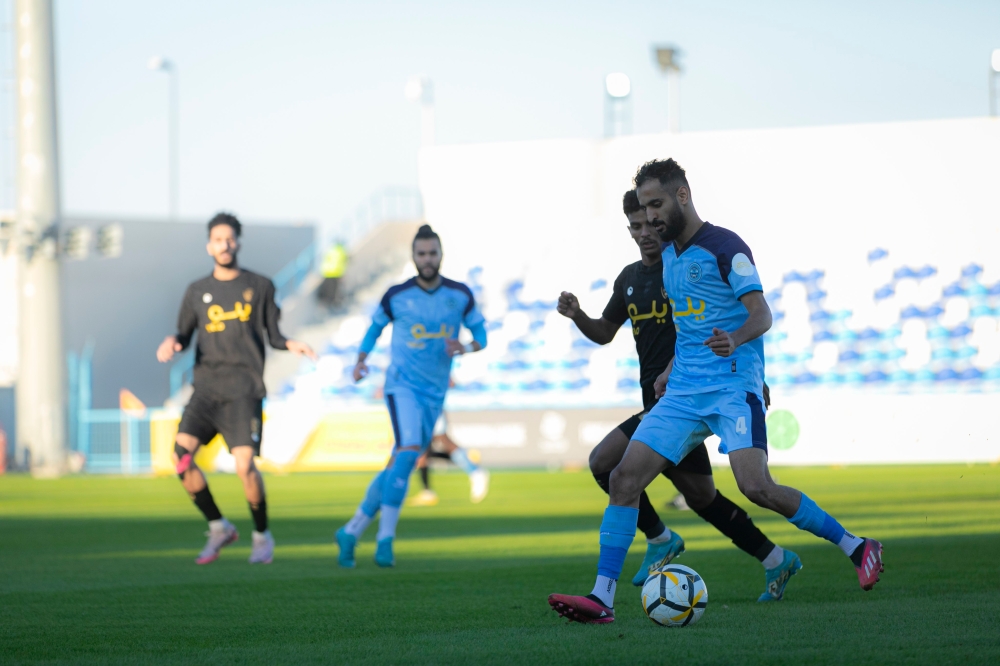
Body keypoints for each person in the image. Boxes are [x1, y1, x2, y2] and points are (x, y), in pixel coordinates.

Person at [549, 159, 883, 624]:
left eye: (657, 205)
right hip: (684, 391)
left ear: (682, 195)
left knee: (755, 487)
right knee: (623, 478)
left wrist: (737, 340)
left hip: (731, 388)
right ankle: (602, 599)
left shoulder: (726, 246)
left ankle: (857, 546)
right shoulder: (666, 256)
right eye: (644, 209)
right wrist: (669, 368)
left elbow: (761, 315)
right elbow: (689, 325)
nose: (650, 218)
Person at [557, 189, 797, 600]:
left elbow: (730, 317)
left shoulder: (686, 269)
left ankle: (661, 540)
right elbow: (604, 332)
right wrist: (578, 314)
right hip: (665, 404)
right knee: (697, 496)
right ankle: (772, 557)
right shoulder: (630, 279)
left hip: (687, 398)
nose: (645, 232)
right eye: (636, 226)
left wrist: (752, 377)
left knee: (614, 467)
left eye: (651, 223)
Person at [156, 212, 317, 566]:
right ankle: (218, 527)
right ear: (208, 245)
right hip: (206, 390)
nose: (224, 244)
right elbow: (183, 334)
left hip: (244, 390)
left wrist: (292, 344)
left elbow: (273, 335)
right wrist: (172, 342)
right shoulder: (196, 291)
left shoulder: (260, 286)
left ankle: (262, 536)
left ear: (238, 243)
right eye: (217, 239)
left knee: (245, 466)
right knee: (181, 459)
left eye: (230, 238)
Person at [335, 224, 487, 568]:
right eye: (421, 253)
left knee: (397, 463)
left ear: (441, 255)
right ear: (414, 257)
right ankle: (385, 541)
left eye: (433, 253)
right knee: (406, 456)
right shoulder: (396, 295)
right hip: (401, 385)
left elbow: (481, 335)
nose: (427, 259)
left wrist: (464, 346)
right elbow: (374, 328)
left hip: (434, 393)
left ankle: (351, 530)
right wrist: (360, 360)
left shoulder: (460, 294)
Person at [408, 412, 490, 506]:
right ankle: (427, 492)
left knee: (442, 439)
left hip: (430, 407)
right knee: (423, 451)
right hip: (418, 410)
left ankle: (475, 470)